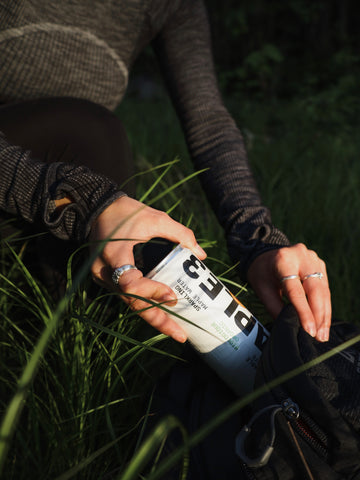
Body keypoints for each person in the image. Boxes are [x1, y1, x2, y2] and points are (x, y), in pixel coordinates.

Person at [0, 0, 331, 344]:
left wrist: (258, 242)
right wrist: (91, 203)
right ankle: (88, 347)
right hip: (21, 175)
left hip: (45, 201)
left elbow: (209, 125)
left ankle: (78, 359)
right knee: (92, 133)